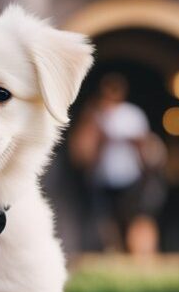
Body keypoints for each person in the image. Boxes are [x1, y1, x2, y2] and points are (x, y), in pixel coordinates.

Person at [70, 73, 165, 253]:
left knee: (134, 217)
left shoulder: (132, 114)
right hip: (102, 177)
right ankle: (113, 251)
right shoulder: (94, 115)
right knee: (106, 220)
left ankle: (137, 253)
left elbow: (145, 146)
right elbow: (82, 149)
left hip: (130, 176)